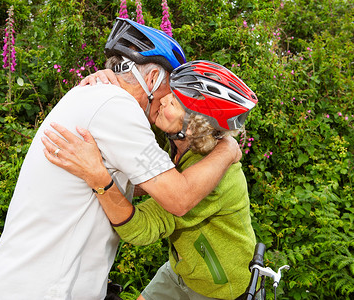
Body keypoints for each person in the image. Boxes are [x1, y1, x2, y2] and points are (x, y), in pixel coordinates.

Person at [0, 19, 241, 300]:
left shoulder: (93, 96)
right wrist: (227, 148)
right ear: (152, 80)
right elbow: (178, 196)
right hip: (46, 290)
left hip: (26, 284)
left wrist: (102, 178)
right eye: (170, 89)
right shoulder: (118, 108)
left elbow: (147, 181)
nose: (167, 99)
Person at [42, 60, 258, 299]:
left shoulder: (212, 177)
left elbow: (140, 229)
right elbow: (148, 179)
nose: (163, 99)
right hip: (181, 271)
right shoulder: (183, 151)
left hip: (219, 287)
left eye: (173, 102)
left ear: (195, 127)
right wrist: (111, 81)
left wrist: (98, 178)